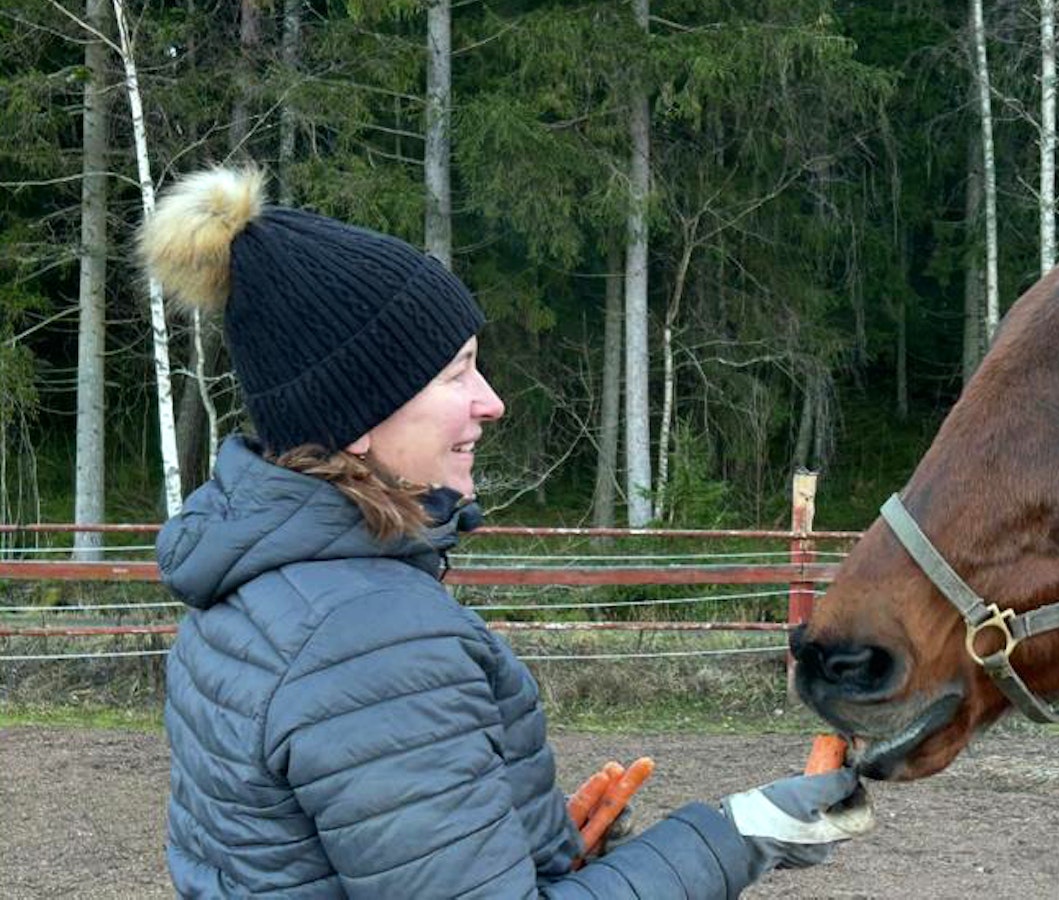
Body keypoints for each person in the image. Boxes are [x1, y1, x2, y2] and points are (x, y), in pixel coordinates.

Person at [143, 166, 871, 898]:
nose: (491, 402)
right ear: (359, 420)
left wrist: (524, 836)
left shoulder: (251, 593)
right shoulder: (370, 639)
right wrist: (739, 835)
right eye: (457, 374)